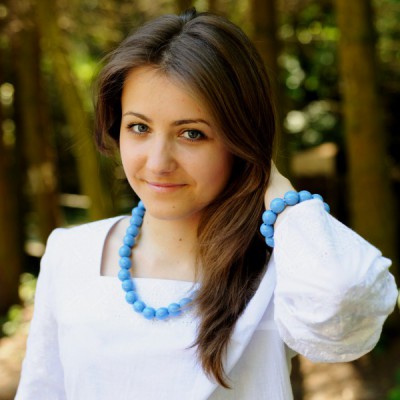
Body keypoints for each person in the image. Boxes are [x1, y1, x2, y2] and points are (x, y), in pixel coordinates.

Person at [16, 8, 398, 400]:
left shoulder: (281, 267)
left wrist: (280, 194)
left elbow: (344, 308)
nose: (159, 162)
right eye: (139, 128)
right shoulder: (70, 254)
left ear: (240, 142)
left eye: (192, 133)